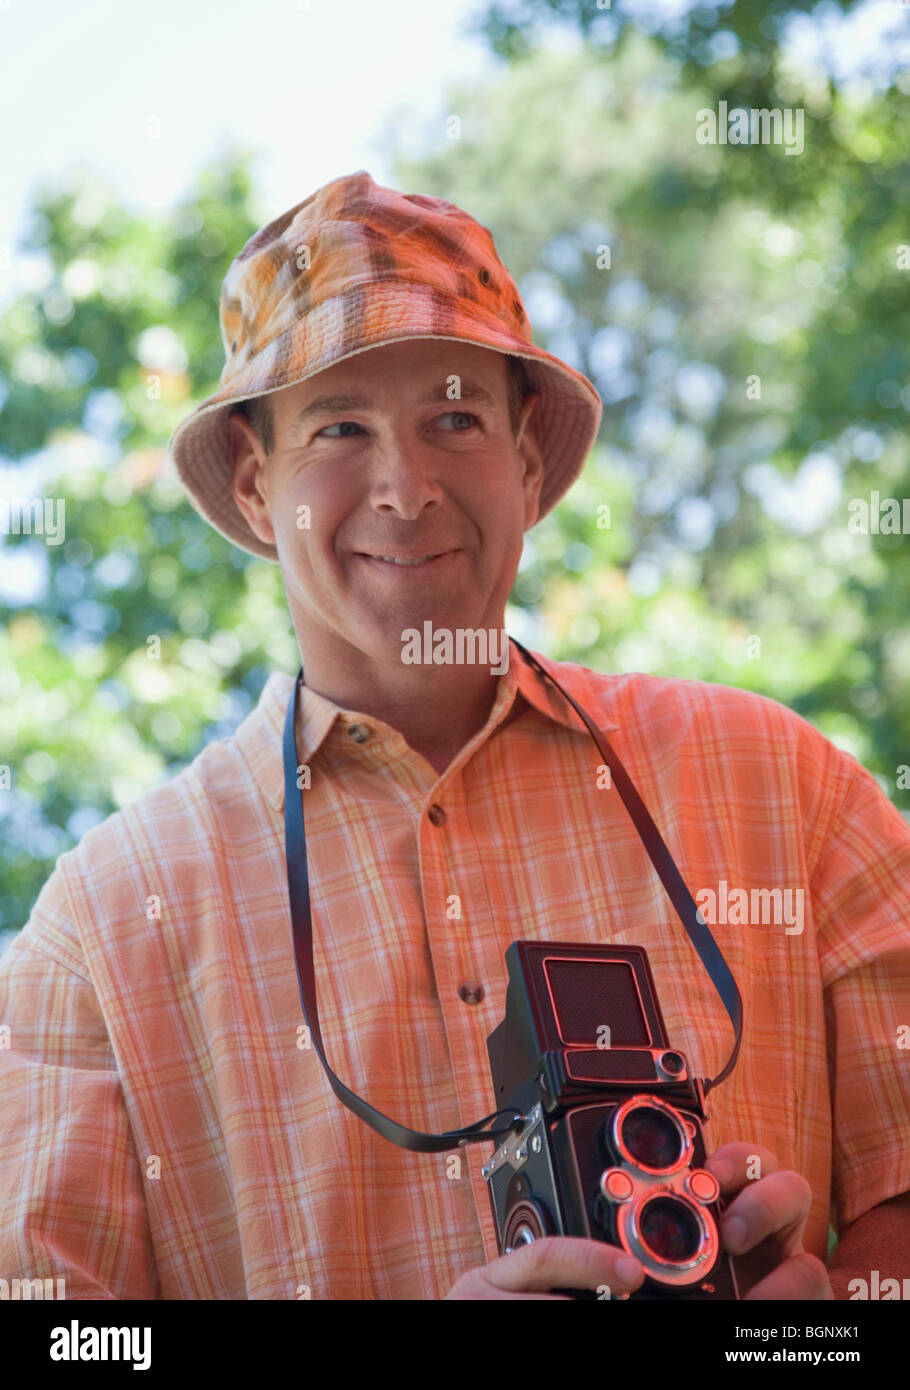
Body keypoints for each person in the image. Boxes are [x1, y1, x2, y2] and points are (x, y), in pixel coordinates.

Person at [1, 169, 909, 1301]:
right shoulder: (96, 935)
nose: (407, 485)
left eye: (454, 419)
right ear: (251, 486)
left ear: (525, 465)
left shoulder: (784, 787)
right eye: (339, 427)